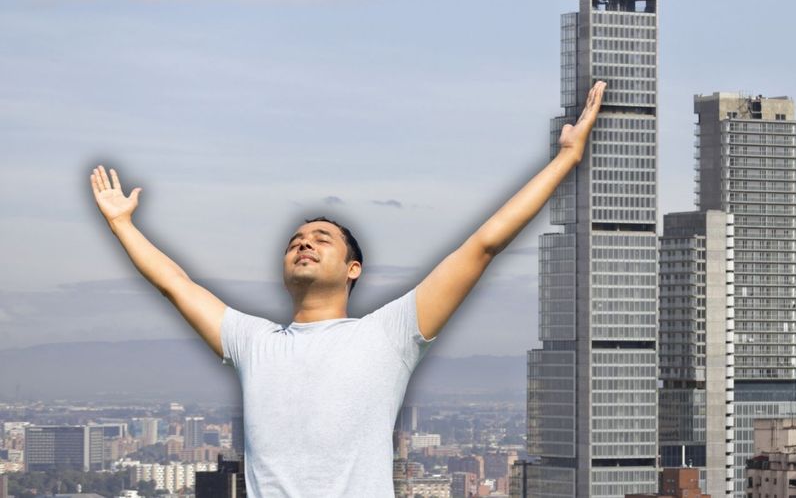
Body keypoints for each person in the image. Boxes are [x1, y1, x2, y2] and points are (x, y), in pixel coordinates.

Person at [88, 80, 607, 497]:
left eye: (321, 238)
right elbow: (175, 285)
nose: (304, 244)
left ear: (353, 268)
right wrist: (123, 225)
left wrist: (565, 159)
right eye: (295, 240)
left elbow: (482, 246)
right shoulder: (251, 340)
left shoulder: (390, 334)